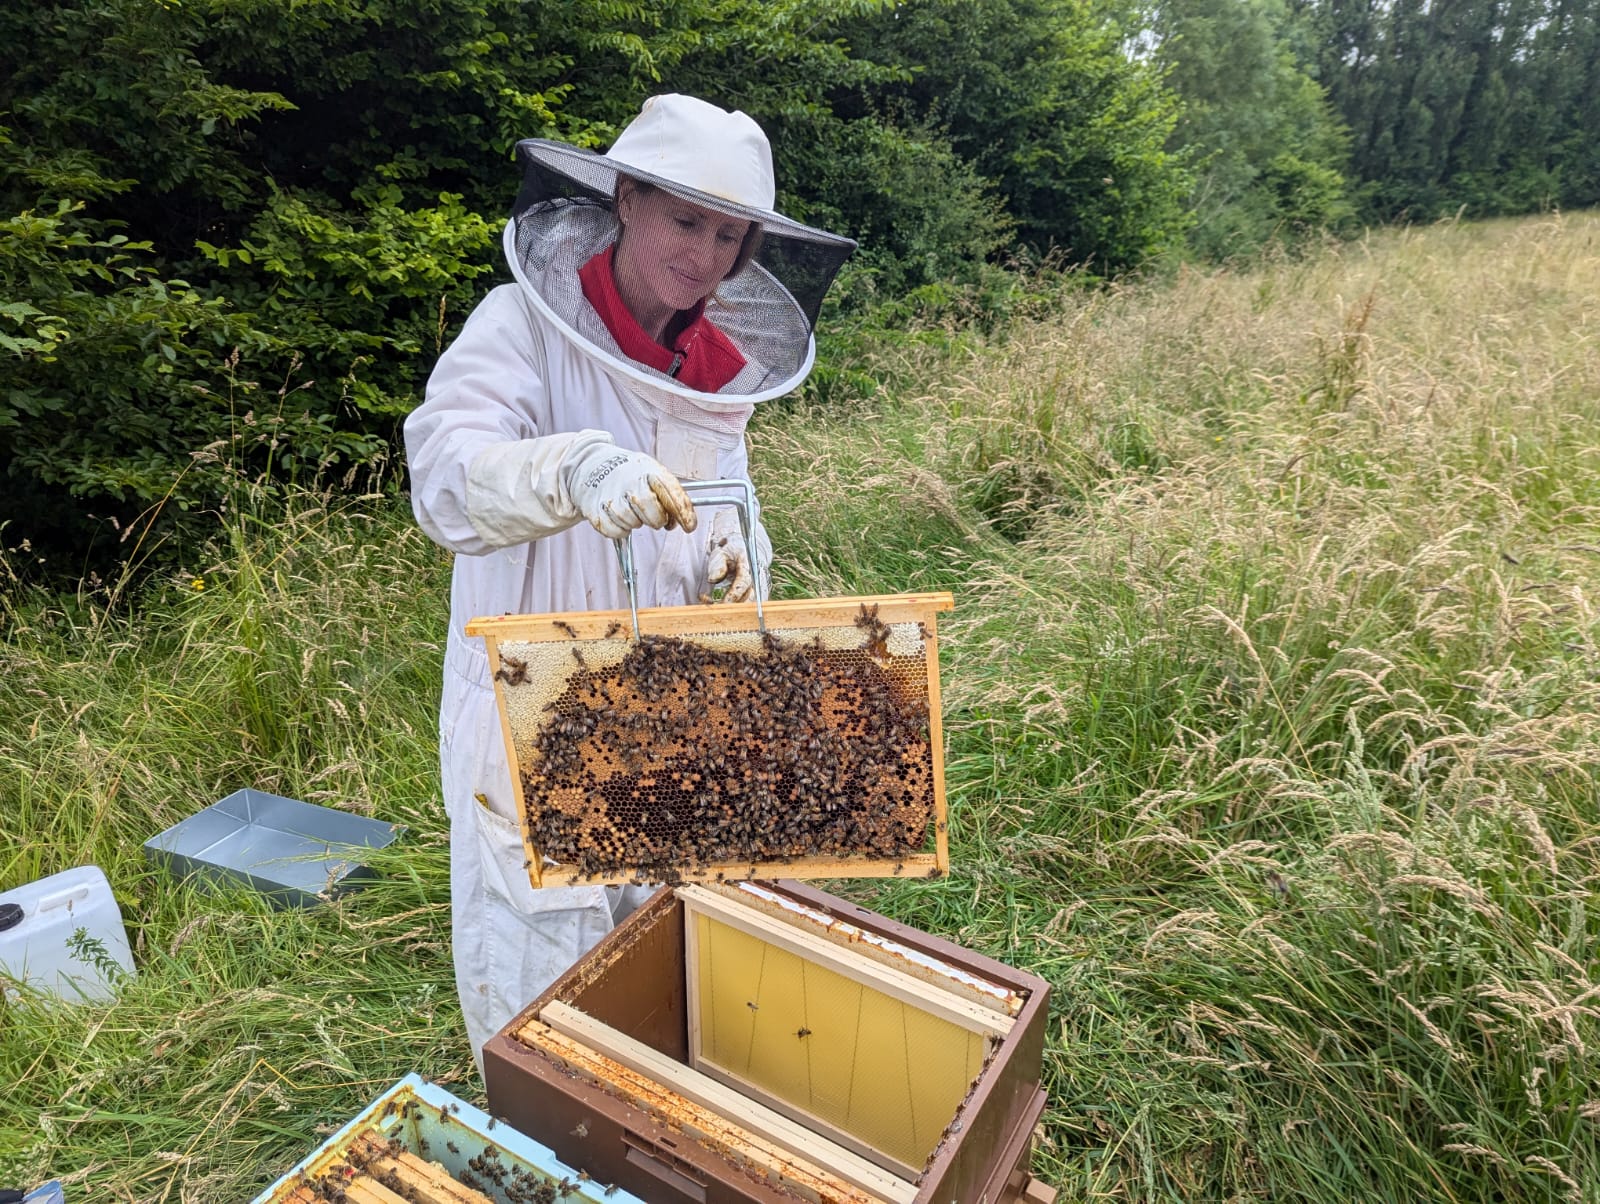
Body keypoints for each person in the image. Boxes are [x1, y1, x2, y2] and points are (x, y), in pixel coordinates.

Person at [403, 94, 855, 1067]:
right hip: (533, 727)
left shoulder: (713, 369)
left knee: (654, 975)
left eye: (728, 233)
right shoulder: (520, 325)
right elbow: (445, 476)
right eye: (685, 219)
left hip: (668, 722)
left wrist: (742, 565)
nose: (704, 252)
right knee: (542, 1001)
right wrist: (569, 470)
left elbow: (719, 505)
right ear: (627, 199)